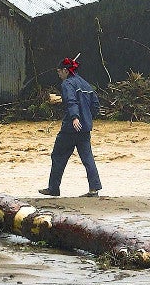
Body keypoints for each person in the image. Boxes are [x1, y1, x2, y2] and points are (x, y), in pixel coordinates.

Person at [39, 57, 102, 198]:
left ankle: (53, 188)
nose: (58, 75)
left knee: (58, 156)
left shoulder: (67, 84)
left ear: (66, 71)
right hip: (85, 128)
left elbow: (71, 101)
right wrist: (87, 117)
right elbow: (96, 104)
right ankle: (94, 189)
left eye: (59, 72)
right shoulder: (85, 84)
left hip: (70, 128)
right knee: (87, 158)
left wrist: (75, 117)